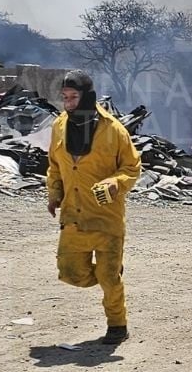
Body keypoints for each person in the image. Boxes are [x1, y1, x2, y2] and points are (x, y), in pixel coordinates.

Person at [47, 70, 141, 344]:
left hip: (105, 218)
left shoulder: (113, 130)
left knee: (109, 278)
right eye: (65, 97)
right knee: (71, 273)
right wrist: (54, 193)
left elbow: (132, 167)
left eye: (73, 97)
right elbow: (54, 166)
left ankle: (117, 325)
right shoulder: (59, 126)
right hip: (73, 216)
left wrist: (114, 183)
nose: (68, 103)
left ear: (87, 97)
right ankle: (109, 273)